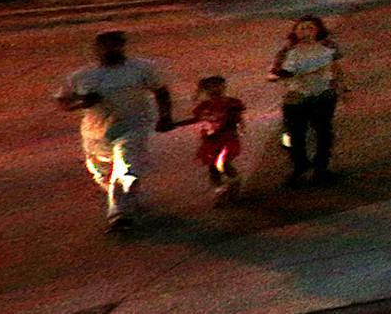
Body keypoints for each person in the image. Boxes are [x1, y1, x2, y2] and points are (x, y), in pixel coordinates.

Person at [53, 30, 173, 231]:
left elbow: (161, 91)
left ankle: (118, 216)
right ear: (96, 49)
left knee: (126, 168)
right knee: (103, 175)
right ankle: (129, 200)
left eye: (115, 45)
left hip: (133, 127)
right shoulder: (82, 77)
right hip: (96, 134)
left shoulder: (142, 68)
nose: (110, 50)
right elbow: (64, 101)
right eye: (105, 46)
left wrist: (165, 117)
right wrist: (82, 102)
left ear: (122, 46)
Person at [268, 16, 343, 185]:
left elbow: (337, 68)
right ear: (295, 31)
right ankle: (300, 166)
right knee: (294, 135)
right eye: (301, 28)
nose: (306, 31)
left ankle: (321, 167)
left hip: (323, 95)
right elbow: (273, 73)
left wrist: (343, 88)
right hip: (296, 98)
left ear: (318, 30)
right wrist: (280, 75)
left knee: (324, 133)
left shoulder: (328, 47)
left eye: (310, 27)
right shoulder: (288, 51)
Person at [168, 75, 246, 203]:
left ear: (223, 87)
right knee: (212, 167)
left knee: (224, 162)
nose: (215, 90)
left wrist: (239, 127)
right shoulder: (204, 106)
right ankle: (220, 191)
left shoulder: (232, 103)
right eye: (211, 88)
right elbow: (195, 118)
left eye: (218, 86)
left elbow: (238, 118)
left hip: (227, 138)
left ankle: (234, 183)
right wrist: (176, 124)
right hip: (210, 141)